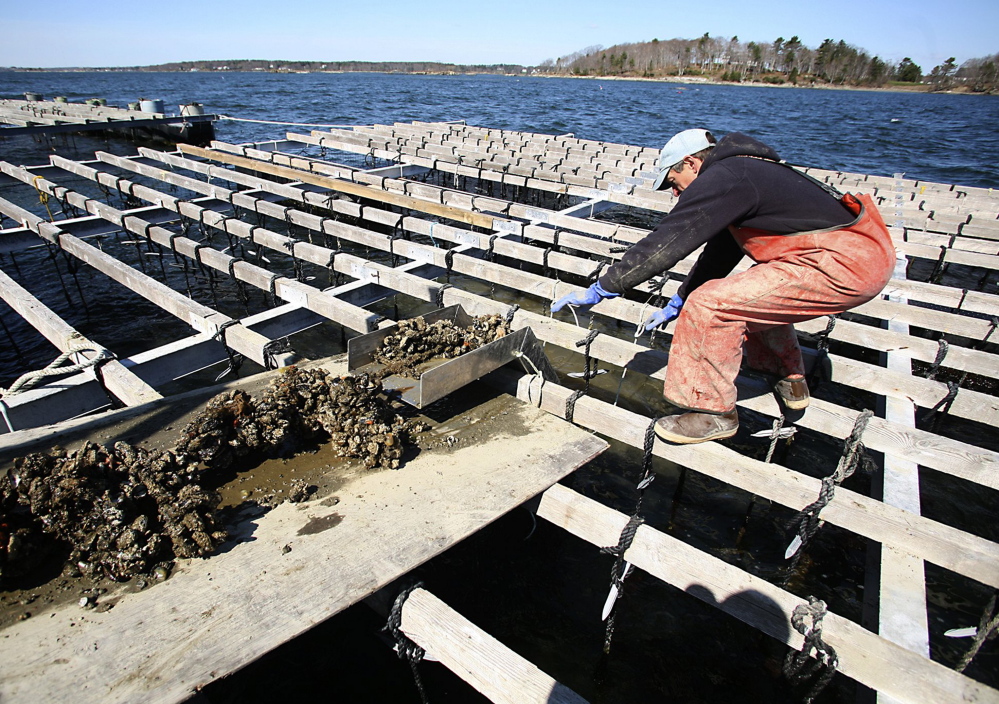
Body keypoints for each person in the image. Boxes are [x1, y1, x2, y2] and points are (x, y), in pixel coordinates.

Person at [551, 129, 896, 444]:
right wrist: (678, 300)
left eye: (673, 180)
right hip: (859, 255)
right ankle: (788, 379)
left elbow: (669, 241)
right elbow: (721, 251)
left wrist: (603, 287)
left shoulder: (726, 175)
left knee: (712, 306)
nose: (674, 191)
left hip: (841, 263)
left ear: (691, 162)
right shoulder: (744, 172)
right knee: (745, 296)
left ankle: (713, 412)